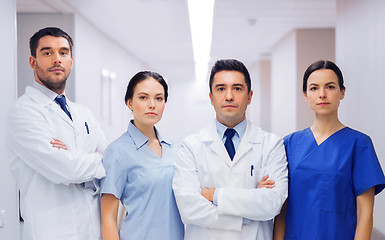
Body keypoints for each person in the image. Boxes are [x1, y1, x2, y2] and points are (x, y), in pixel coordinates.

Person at [6, 27, 106, 239]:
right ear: (33, 62)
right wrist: (97, 159)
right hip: (52, 232)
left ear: (71, 61)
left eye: (63, 52)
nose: (57, 59)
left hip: (92, 231)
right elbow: (66, 169)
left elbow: (112, 160)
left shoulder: (84, 113)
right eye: (47, 52)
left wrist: (77, 159)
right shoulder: (23, 113)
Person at [172, 59, 288, 240]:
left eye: (237, 88)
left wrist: (213, 195)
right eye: (221, 88)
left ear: (249, 96)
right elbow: (188, 209)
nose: (229, 96)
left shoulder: (271, 144)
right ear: (211, 98)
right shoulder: (191, 147)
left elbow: (273, 204)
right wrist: (249, 208)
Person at [273, 60, 385, 239]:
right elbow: (281, 211)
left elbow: (365, 214)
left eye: (330, 87)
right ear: (305, 95)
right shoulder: (288, 144)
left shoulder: (359, 144)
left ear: (342, 92)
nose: (322, 94)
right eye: (314, 88)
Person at [100, 71, 184, 240]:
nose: (152, 104)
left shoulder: (175, 148)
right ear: (129, 103)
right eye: (143, 97)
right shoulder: (117, 151)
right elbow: (108, 217)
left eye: (159, 98)